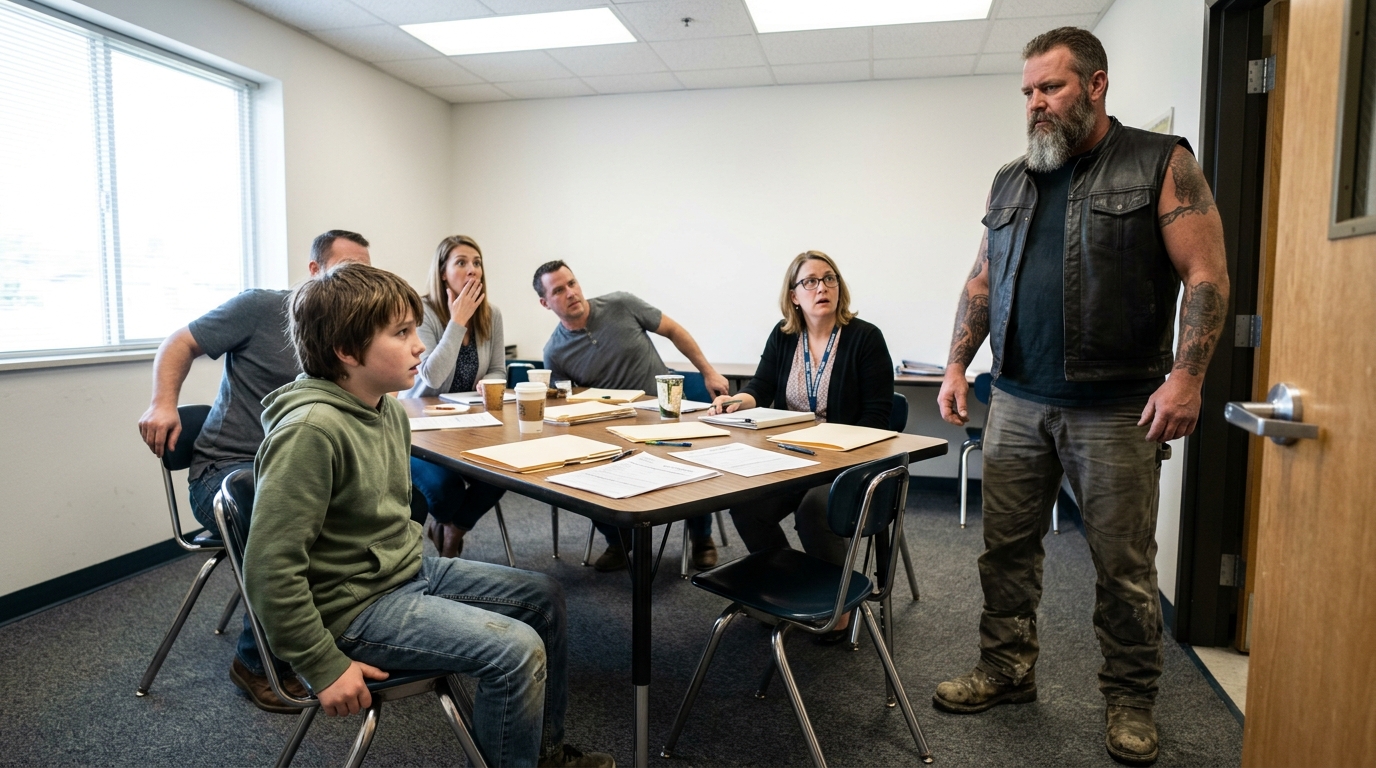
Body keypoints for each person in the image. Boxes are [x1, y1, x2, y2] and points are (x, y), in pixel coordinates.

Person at [931, 28, 1228, 767]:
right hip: (1016, 399)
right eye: (1028, 91)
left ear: (1095, 85)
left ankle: (1131, 699)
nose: (1035, 102)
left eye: (1051, 87)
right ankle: (1006, 670)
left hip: (1117, 408)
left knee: (1122, 568)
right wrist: (957, 364)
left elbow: (1206, 275)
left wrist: (1187, 376)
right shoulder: (1011, 179)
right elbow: (980, 280)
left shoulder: (1160, 162)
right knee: (1005, 552)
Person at [244, 262, 614, 768]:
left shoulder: (388, 410)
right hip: (351, 609)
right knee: (515, 650)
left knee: (544, 598)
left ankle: (542, 757)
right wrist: (321, 663)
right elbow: (268, 569)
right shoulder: (309, 431)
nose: (419, 346)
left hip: (408, 573)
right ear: (347, 351)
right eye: (401, 333)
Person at [135, 229, 371, 713]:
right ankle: (256, 664)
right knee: (287, 519)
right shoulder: (262, 308)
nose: (355, 282)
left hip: (293, 469)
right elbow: (180, 342)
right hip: (226, 474)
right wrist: (162, 403)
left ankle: (347, 633)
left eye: (364, 273)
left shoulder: (350, 334)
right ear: (314, 271)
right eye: (346, 270)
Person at [707, 251, 894, 643]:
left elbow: (878, 418)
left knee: (815, 508)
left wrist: (834, 447)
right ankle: (786, 588)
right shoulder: (784, 335)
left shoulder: (865, 338)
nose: (821, 287)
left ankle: (838, 609)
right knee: (746, 503)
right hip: (793, 458)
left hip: (850, 464)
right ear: (794, 295)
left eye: (829, 278)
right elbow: (761, 387)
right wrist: (737, 401)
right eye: (810, 281)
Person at [533, 260, 729, 572]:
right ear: (545, 303)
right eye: (558, 290)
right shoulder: (554, 352)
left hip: (664, 416)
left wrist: (708, 372)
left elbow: (674, 330)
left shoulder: (621, 304)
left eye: (572, 283)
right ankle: (618, 539)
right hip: (609, 431)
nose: (570, 293)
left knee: (692, 455)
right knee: (579, 471)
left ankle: (702, 536)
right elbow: (566, 405)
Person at [403, 235, 508, 559]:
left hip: (468, 425)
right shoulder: (422, 311)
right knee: (444, 490)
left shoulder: (491, 314)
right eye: (461, 262)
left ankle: (452, 531)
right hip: (421, 430)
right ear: (442, 272)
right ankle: (450, 530)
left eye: (477, 263)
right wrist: (457, 321)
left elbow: (498, 370)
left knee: (504, 471)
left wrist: (488, 382)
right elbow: (431, 376)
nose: (472, 269)